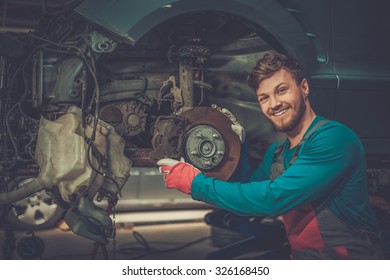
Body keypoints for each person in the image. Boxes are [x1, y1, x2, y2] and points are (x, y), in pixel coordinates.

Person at [157, 53, 384, 259]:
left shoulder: (334, 139)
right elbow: (247, 195)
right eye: (264, 98)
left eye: (281, 90)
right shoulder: (277, 153)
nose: (274, 104)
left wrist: (197, 185)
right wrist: (240, 146)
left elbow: (273, 199)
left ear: (304, 87)